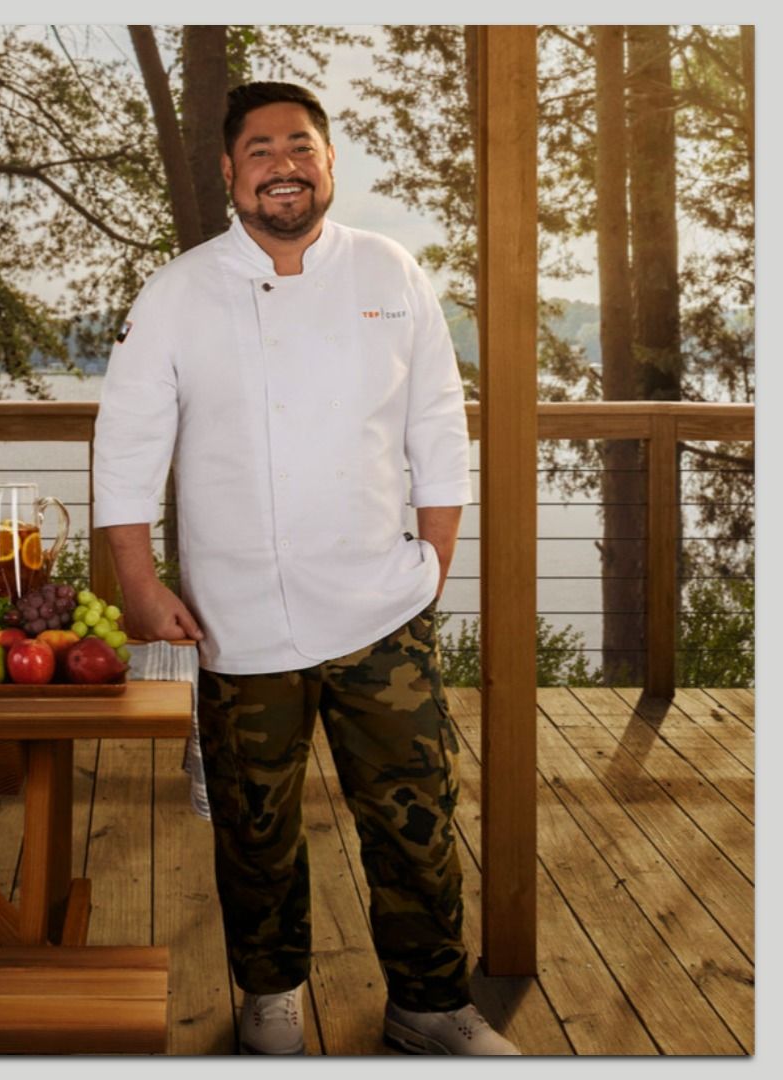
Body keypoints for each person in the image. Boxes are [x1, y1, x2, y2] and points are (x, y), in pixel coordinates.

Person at [93, 82, 518, 1056]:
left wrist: (437, 558)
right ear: (229, 171)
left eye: (300, 144)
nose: (281, 163)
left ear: (328, 162)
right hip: (235, 620)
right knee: (255, 830)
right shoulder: (178, 291)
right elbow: (127, 442)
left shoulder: (389, 270)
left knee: (416, 822)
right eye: (259, 149)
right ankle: (271, 996)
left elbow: (438, 425)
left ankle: (432, 1005)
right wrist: (137, 577)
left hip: (383, 610)